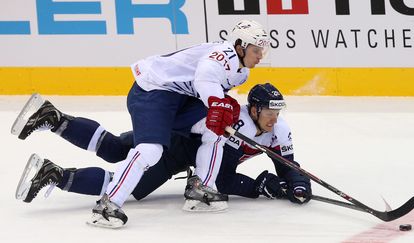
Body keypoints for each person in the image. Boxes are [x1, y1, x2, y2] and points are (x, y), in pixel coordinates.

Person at [12, 19, 271, 226]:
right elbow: (205, 77)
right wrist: (217, 101)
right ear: (239, 45)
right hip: (155, 92)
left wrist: (218, 105)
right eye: (256, 49)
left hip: (179, 100)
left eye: (262, 50)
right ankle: (107, 205)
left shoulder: (241, 72)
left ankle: (202, 189)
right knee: (148, 151)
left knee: (212, 132)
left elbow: (206, 91)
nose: (261, 55)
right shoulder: (222, 57)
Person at [13, 83, 312, 228]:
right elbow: (220, 178)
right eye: (269, 112)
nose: (274, 118)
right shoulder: (238, 124)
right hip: (177, 150)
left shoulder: (278, 130)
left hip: (174, 136)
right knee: (126, 183)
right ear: (255, 109)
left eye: (277, 112)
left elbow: (287, 165)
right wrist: (258, 187)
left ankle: (53, 118)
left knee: (117, 148)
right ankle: (53, 174)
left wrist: (297, 184)